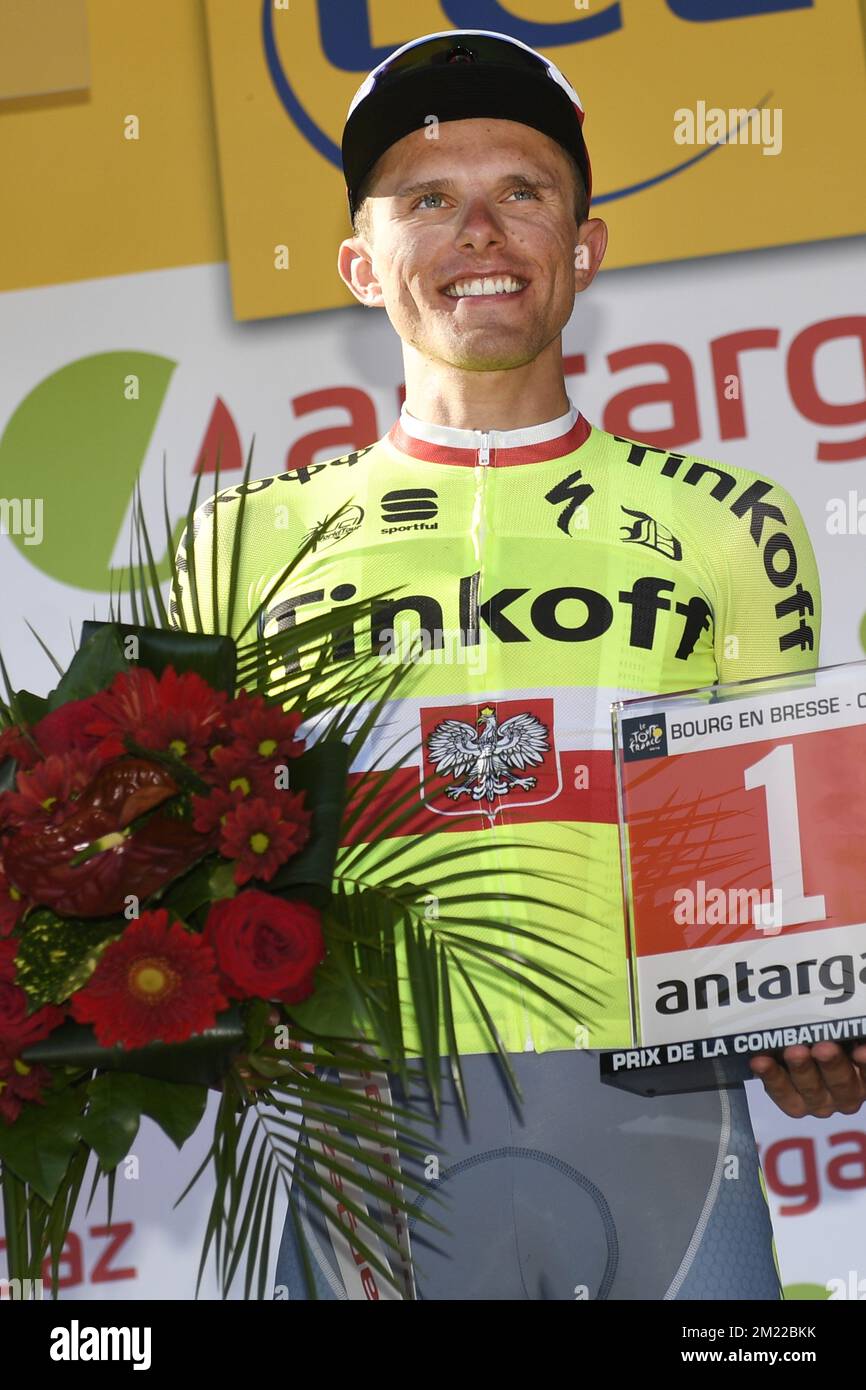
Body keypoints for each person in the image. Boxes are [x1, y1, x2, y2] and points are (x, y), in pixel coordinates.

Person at [174, 30, 866, 1300]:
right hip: (359, 1123)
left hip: (665, 1114)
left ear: (582, 246)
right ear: (359, 265)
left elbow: (791, 871)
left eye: (521, 193)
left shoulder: (732, 519)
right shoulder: (238, 541)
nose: (477, 232)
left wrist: (816, 1021)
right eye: (428, 199)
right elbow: (180, 864)